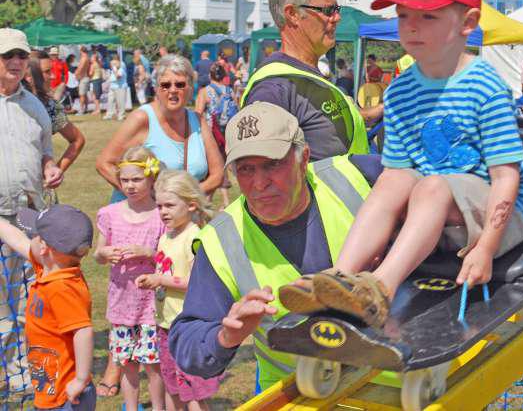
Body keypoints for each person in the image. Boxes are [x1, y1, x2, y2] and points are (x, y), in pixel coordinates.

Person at [286, 0, 523, 329]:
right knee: (396, 179)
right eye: (404, 17)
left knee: (432, 186)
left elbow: (506, 178)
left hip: (501, 215)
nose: (412, 27)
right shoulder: (401, 91)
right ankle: (339, 275)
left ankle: (380, 290)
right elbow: (396, 178)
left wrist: (486, 247)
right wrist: (378, 235)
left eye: (428, 16)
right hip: (439, 210)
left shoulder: (484, 85)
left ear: (467, 22)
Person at [169, 103, 384, 389]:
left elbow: (436, 192)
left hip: (399, 385)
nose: (259, 183)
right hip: (302, 395)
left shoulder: (358, 176)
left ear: (303, 157)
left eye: (273, 164)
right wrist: (226, 336)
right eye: (246, 169)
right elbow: (187, 342)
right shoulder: (221, 239)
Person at [241, 0, 381, 160]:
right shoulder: (274, 88)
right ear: (293, 14)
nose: (336, 18)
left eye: (337, 10)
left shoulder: (307, 75)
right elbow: (261, 177)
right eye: (328, 10)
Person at [0, 29, 63, 397]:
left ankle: (22, 375)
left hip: (27, 218)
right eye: (7, 56)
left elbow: (45, 153)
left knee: (28, 301)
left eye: (21, 56)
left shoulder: (34, 106)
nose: (15, 63)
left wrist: (50, 167)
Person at [136, 170, 219, 410]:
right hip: (166, 324)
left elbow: (197, 283)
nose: (163, 212)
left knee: (193, 389)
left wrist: (160, 280)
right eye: (159, 206)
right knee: (171, 383)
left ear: (192, 205)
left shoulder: (195, 237)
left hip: (189, 327)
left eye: (170, 205)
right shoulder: (167, 235)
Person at [0, 206, 96, 411]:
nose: (30, 238)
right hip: (50, 388)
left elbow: (83, 331)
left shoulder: (62, 287)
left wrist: (80, 380)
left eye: (33, 235)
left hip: (66, 397)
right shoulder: (49, 269)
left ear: (44, 248)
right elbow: (18, 240)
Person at [94, 146, 166, 411]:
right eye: (125, 180)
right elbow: (97, 254)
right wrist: (105, 253)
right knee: (127, 363)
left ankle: (159, 407)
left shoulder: (161, 215)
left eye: (137, 179)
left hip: (151, 306)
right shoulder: (110, 213)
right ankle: (131, 406)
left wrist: (148, 252)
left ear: (152, 178)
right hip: (121, 303)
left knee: (153, 363)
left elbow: (172, 257)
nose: (130, 185)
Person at [96, 54, 224, 200]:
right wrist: (141, 196)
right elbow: (104, 163)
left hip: (180, 217)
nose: (173, 90)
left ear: (190, 88)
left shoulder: (198, 121)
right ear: (157, 88)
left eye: (180, 84)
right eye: (165, 85)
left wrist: (183, 198)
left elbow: (218, 174)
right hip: (141, 218)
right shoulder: (142, 119)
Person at [25, 58, 86, 174]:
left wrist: (56, 171)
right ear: (28, 76)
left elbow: (77, 140)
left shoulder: (50, 106)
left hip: (37, 184)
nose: (52, 76)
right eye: (47, 71)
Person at [194, 62, 237, 208]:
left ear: (209, 76)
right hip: (228, 133)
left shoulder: (205, 91)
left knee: (213, 167)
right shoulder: (229, 91)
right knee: (223, 164)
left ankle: (208, 201)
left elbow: (197, 114)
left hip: (212, 134)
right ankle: (224, 202)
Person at [103, 54, 128, 121]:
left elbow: (118, 76)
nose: (111, 64)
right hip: (113, 86)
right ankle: (109, 115)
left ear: (117, 61)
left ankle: (121, 115)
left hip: (120, 86)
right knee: (110, 101)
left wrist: (114, 68)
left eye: (113, 63)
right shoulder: (115, 66)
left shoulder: (121, 66)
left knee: (120, 102)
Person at [74, 46, 91, 114]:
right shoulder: (87, 57)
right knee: (85, 94)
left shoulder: (84, 58)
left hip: (83, 78)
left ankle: (81, 110)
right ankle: (86, 108)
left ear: (81, 51)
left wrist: (76, 73)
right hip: (85, 77)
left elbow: (81, 68)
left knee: (81, 94)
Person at [89, 50, 104, 116]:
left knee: (95, 96)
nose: (90, 58)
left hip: (95, 80)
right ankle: (97, 109)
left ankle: (97, 109)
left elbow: (91, 73)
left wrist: (88, 74)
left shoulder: (93, 65)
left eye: (91, 57)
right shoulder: (99, 64)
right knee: (96, 95)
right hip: (99, 80)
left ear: (94, 58)